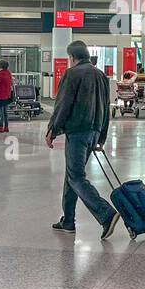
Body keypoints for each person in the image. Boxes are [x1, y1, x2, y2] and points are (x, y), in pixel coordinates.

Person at [47, 40, 117, 239]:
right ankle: (68, 220)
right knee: (72, 174)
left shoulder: (72, 73)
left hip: (78, 131)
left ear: (72, 57)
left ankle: (106, 214)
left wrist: (52, 129)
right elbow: (106, 106)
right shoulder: (101, 75)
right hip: (94, 130)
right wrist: (101, 135)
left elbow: (63, 104)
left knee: (76, 177)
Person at [0, 59, 14, 133]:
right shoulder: (9, 73)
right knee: (5, 111)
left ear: (0, 65)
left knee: (0, 111)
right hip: (7, 95)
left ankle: (0, 126)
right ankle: (6, 127)